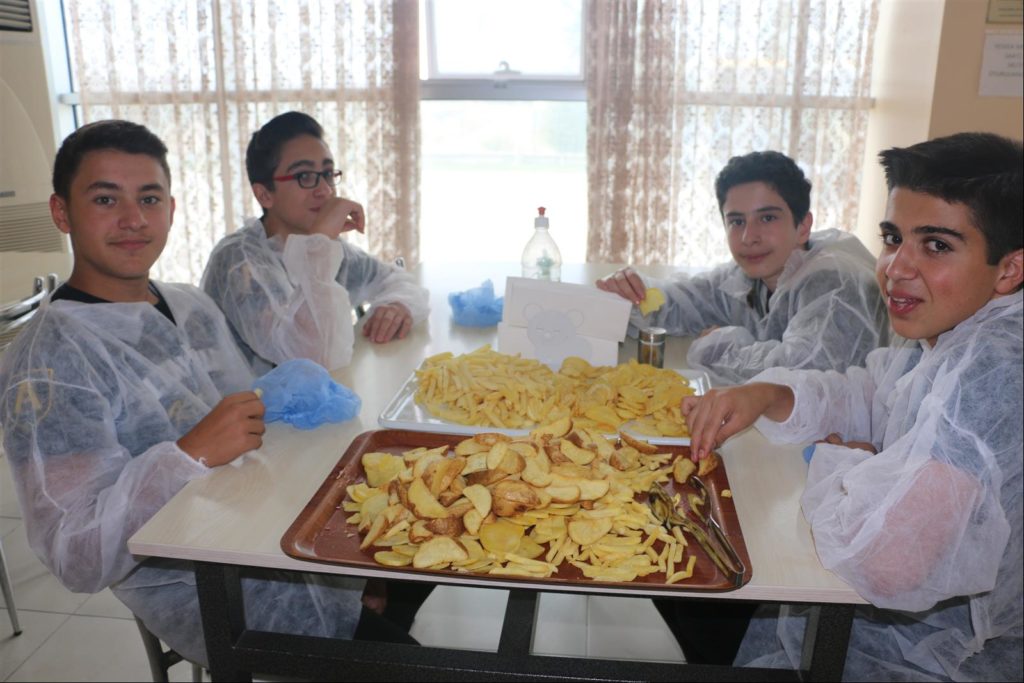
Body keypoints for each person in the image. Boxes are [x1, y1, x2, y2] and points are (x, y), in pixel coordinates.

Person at [0, 120, 419, 667]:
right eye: (105, 199)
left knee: (437, 537)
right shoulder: (47, 364)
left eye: (149, 198)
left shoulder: (189, 306)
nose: (133, 219)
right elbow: (75, 554)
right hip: (223, 593)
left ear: (172, 209)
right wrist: (187, 455)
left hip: (279, 530)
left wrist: (347, 551)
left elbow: (259, 429)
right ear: (62, 213)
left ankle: (374, 605)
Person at [682, 132, 1023, 681]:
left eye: (936, 245)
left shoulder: (998, 368)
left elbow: (889, 563)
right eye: (893, 238)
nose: (896, 267)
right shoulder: (947, 331)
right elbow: (870, 392)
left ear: (1009, 269)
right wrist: (769, 393)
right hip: (888, 623)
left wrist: (847, 465)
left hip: (945, 657)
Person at [596, 150, 889, 386]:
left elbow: (800, 373)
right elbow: (683, 301)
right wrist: (630, 290)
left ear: (803, 227)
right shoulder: (747, 277)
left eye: (767, 218)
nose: (749, 237)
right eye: (737, 221)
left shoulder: (835, 284)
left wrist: (718, 346)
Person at [201, 111, 429, 375]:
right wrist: (321, 241)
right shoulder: (238, 262)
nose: (325, 190)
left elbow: (395, 279)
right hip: (254, 400)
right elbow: (311, 357)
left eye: (328, 174)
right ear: (264, 195)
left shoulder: (322, 246)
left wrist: (397, 306)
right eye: (304, 176)